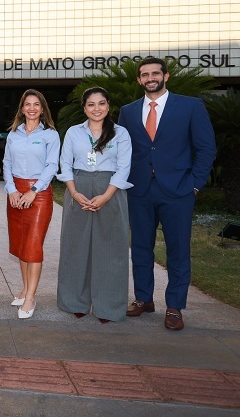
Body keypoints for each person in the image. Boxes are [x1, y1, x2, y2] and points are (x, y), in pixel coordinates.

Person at [118, 57, 216, 331]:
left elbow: (206, 148)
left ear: (166, 76)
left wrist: (194, 184)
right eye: (145, 74)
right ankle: (143, 299)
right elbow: (123, 150)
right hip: (139, 190)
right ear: (139, 80)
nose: (150, 78)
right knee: (139, 247)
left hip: (178, 191)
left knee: (178, 250)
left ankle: (174, 306)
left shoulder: (190, 106)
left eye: (155, 73)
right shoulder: (128, 111)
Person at [57, 87, 132, 323]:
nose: (96, 109)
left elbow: (124, 167)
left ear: (108, 105)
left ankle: (108, 305)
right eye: (91, 104)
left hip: (110, 189)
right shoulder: (73, 132)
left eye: (101, 103)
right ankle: (74, 300)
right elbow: (65, 164)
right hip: (78, 188)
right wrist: (74, 192)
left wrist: (106, 196)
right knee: (75, 245)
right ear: (84, 108)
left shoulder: (120, 133)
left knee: (111, 248)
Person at [3, 89, 60, 319]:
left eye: (37, 104)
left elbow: (52, 166)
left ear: (43, 109)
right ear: (22, 108)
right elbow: (6, 162)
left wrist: (33, 191)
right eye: (28, 104)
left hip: (39, 194)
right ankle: (25, 287)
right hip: (16, 193)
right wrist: (11, 190)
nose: (32, 108)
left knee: (33, 246)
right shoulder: (13, 134)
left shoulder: (51, 135)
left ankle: (31, 297)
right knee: (20, 245)